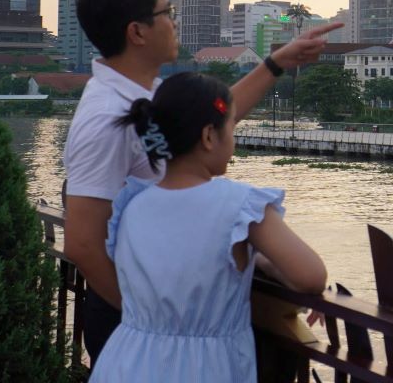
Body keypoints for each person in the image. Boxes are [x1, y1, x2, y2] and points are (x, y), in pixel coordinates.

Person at [62, 0, 339, 362]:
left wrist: (276, 64)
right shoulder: (104, 117)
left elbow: (212, 118)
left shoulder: (143, 96)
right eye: (166, 13)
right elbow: (83, 243)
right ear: (137, 32)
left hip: (169, 319)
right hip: (141, 322)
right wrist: (147, 316)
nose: (174, 23)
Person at [90, 72, 326, 382]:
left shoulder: (131, 205)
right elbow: (311, 275)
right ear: (209, 136)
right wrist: (260, 258)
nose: (234, 139)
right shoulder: (240, 206)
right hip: (203, 368)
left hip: (126, 360)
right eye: (231, 127)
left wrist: (255, 257)